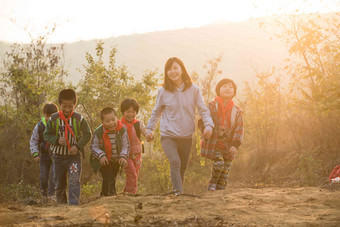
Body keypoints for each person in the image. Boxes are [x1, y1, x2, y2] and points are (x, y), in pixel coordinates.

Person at [146, 57, 214, 195]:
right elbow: (156, 112)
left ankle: (179, 199)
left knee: (182, 168)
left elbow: (203, 109)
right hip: (168, 135)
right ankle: (178, 192)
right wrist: (149, 129)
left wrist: (208, 125)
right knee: (175, 162)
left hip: (186, 136)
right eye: (169, 69)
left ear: (182, 69)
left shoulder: (194, 90)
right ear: (166, 73)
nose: (173, 71)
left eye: (175, 68)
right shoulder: (163, 91)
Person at [44, 89, 91, 205]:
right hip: (58, 157)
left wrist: (78, 146)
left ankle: (73, 206)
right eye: (64, 106)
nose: (67, 109)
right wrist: (56, 140)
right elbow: (46, 135)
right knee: (59, 183)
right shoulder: (53, 119)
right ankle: (61, 205)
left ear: (74, 104)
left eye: (71, 106)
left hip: (74, 157)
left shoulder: (79, 118)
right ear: (60, 104)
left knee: (74, 181)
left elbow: (87, 134)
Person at [200, 78, 244, 191]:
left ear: (234, 92)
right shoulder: (211, 106)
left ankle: (220, 193)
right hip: (214, 144)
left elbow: (239, 129)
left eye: (230, 87)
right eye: (224, 86)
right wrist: (205, 129)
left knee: (225, 172)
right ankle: (212, 184)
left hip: (228, 146)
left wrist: (235, 145)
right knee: (219, 163)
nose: (228, 88)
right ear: (218, 90)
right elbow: (202, 120)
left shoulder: (237, 111)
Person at [90, 107, 129, 196]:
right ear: (102, 122)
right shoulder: (99, 132)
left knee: (112, 179)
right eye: (107, 121)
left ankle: (103, 195)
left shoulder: (122, 130)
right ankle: (112, 197)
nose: (111, 123)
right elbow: (93, 147)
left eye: (113, 120)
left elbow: (125, 145)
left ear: (117, 118)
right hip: (103, 160)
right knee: (109, 178)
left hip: (115, 160)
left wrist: (123, 156)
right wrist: (101, 155)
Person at [30, 103, 58, 198]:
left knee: (55, 175)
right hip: (44, 155)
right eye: (47, 115)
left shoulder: (59, 125)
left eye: (52, 116)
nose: (49, 118)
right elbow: (33, 141)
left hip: (56, 154)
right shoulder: (39, 126)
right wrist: (35, 154)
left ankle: (52, 195)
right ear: (44, 114)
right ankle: (44, 196)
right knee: (43, 177)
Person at [120, 98, 147, 194]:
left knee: (134, 176)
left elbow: (145, 131)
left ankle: (125, 195)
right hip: (125, 155)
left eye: (133, 112)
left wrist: (149, 136)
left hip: (137, 155)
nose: (130, 114)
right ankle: (132, 195)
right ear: (123, 112)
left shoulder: (138, 124)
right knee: (132, 175)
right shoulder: (120, 125)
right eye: (128, 112)